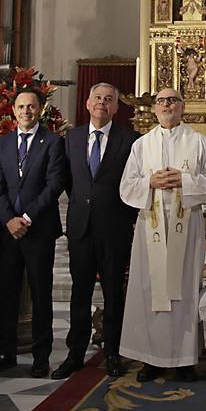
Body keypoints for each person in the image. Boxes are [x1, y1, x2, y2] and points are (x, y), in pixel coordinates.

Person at [118, 88, 206, 382]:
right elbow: (126, 186)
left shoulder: (199, 142)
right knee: (150, 289)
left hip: (185, 224)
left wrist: (184, 180)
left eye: (173, 101)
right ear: (154, 109)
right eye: (162, 101)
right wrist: (149, 182)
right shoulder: (142, 145)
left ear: (182, 107)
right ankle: (151, 359)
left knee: (183, 289)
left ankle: (184, 359)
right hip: (150, 224)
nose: (167, 105)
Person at [54, 83, 141, 381]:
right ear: (88, 103)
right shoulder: (72, 138)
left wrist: (121, 215)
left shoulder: (130, 140)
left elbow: (135, 183)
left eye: (109, 99)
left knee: (114, 295)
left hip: (115, 229)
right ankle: (74, 354)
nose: (102, 103)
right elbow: (68, 180)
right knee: (79, 294)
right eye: (97, 98)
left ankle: (113, 353)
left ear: (117, 107)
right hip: (81, 228)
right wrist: (84, 205)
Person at [0, 87, 66, 378]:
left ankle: (41, 356)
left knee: (41, 293)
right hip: (8, 232)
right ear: (13, 110)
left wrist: (27, 217)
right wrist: (8, 219)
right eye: (21, 107)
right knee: (6, 293)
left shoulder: (53, 142)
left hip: (38, 229)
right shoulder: (2, 143)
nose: (26, 112)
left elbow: (54, 185)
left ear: (41, 109)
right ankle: (6, 352)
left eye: (31, 107)